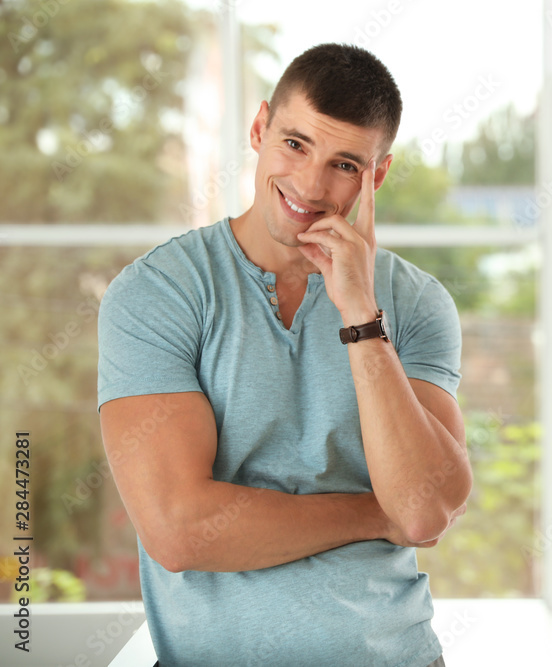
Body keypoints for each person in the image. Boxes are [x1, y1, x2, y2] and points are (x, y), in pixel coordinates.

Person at [97, 43, 471, 667]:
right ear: (258, 128)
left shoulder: (416, 304)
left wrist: (359, 313)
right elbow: (179, 529)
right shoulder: (157, 292)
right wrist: (375, 516)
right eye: (295, 144)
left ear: (375, 176)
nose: (310, 186)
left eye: (345, 164)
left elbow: (425, 507)